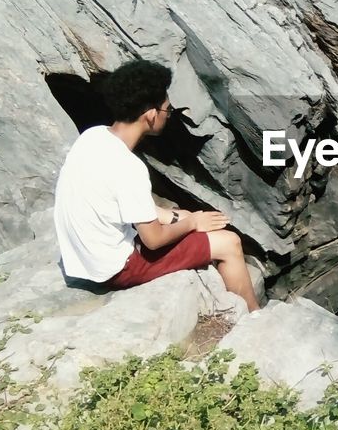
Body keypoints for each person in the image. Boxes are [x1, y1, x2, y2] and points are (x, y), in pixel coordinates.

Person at [53, 59, 261, 312]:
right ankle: (253, 317)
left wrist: (173, 216)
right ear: (151, 115)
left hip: (85, 259)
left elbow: (115, 202)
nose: (169, 115)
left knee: (180, 218)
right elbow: (153, 241)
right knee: (229, 242)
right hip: (117, 267)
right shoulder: (129, 166)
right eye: (168, 110)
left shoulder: (93, 136)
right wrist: (192, 223)